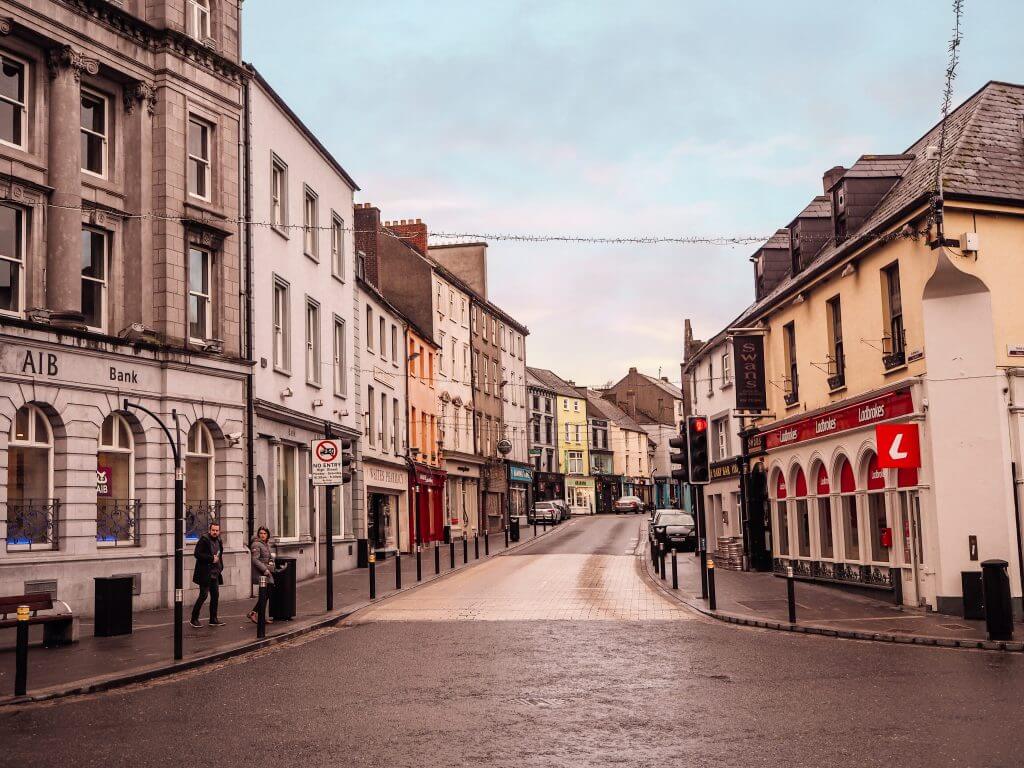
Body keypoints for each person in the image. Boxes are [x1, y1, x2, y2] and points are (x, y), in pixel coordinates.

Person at [190, 521, 225, 628]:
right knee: (203, 595)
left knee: (215, 596)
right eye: (213, 530)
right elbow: (197, 554)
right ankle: (194, 618)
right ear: (210, 530)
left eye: (217, 530)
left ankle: (213, 619)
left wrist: (220, 566)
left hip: (215, 573)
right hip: (205, 573)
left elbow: (220, 555)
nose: (215, 532)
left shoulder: (219, 540)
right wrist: (211, 559)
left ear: (219, 531)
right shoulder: (204, 540)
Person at [248, 526, 275, 624]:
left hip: (267, 572)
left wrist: (272, 564)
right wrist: (265, 570)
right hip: (262, 573)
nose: (263, 535)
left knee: (266, 595)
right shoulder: (256, 544)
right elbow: (255, 559)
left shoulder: (266, 544)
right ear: (258, 534)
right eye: (261, 533)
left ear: (267, 535)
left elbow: (268, 558)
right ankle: (255, 614)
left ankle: (257, 614)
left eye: (264, 533)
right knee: (265, 594)